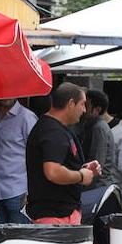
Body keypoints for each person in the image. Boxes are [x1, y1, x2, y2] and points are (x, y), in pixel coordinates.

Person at [25, 83, 99, 224]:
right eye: (83, 104)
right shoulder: (53, 132)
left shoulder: (57, 129)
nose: (84, 110)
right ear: (71, 103)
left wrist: (83, 168)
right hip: (55, 217)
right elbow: (53, 171)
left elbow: (61, 163)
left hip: (62, 213)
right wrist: (81, 176)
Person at [78, 89, 116, 188]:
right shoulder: (91, 126)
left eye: (87, 105)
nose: (84, 109)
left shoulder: (98, 128)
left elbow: (97, 163)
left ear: (97, 109)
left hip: (97, 187)